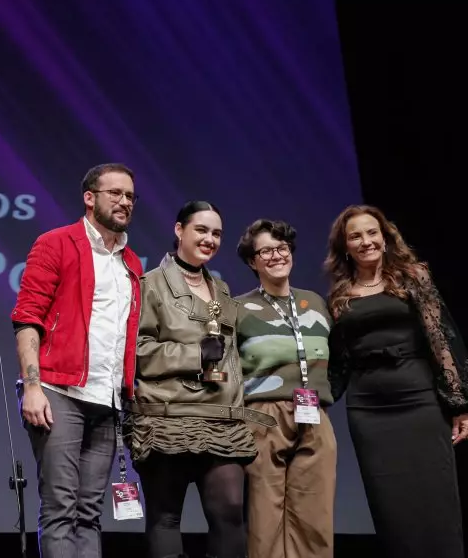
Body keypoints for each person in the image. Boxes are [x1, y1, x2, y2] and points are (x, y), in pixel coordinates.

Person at [10, 163, 145, 558]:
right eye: (115, 193)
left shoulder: (131, 263)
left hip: (107, 401)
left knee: (89, 513)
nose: (125, 202)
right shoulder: (57, 243)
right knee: (60, 510)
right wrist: (32, 386)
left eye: (130, 196)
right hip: (58, 393)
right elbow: (27, 318)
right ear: (90, 198)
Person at [128, 201, 275, 558]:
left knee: (229, 516)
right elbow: (137, 352)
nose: (209, 239)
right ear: (179, 230)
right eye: (201, 230)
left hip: (221, 420)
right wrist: (193, 356)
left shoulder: (222, 290)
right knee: (165, 518)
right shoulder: (150, 285)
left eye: (217, 233)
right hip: (167, 418)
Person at [325, 204, 468, 558]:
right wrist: (315, 402)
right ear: (345, 245)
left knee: (436, 499)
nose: (365, 241)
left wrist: (459, 402)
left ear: (385, 237)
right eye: (355, 235)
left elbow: (440, 338)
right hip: (369, 411)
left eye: (371, 232)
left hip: (419, 401)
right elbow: (340, 361)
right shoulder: (341, 295)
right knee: (392, 506)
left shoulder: (413, 276)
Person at [234, 219, 336, 558]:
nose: (277, 255)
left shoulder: (316, 303)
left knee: (315, 516)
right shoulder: (237, 308)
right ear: (253, 261)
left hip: (314, 414)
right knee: (265, 518)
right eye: (266, 250)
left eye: (282, 248)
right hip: (263, 415)